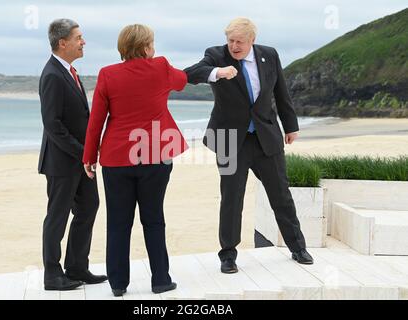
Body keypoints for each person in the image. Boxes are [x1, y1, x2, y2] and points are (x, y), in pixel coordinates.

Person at [184, 17, 313, 274]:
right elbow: (190, 74)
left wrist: (291, 126)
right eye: (230, 40)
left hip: (266, 137)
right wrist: (218, 72)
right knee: (232, 198)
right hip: (230, 140)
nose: (234, 46)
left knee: (281, 195)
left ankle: (297, 247)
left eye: (239, 41)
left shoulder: (269, 55)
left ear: (252, 40)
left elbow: (280, 93)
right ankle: (228, 255)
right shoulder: (216, 55)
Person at [83, 24, 188, 297]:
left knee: (118, 222)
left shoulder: (107, 74)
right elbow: (182, 81)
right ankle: (161, 280)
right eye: (151, 44)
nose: (154, 48)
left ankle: (118, 284)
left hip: (117, 158)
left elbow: (96, 121)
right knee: (154, 218)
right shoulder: (161, 67)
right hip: (155, 156)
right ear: (145, 47)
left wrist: (89, 156)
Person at [38, 18, 107, 291]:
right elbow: (52, 124)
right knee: (57, 216)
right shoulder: (53, 74)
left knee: (89, 207)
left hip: (80, 160)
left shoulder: (69, 71)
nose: (83, 42)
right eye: (79, 37)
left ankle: (77, 266)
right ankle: (52, 275)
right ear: (62, 42)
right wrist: (84, 153)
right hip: (62, 162)